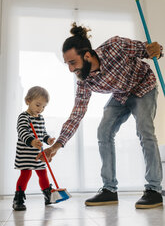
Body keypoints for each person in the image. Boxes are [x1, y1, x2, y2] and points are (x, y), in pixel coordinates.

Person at [37, 22, 163, 209]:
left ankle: (154, 190)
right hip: (121, 95)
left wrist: (157, 50)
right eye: (68, 64)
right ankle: (109, 190)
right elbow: (77, 114)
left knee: (145, 131)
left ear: (87, 55)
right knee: (103, 131)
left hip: (143, 86)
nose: (71, 70)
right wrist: (56, 146)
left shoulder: (116, 46)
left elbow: (148, 50)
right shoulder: (84, 80)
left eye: (73, 63)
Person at [13, 86, 55, 211]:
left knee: (43, 173)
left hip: (37, 154)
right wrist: (32, 141)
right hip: (25, 153)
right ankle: (18, 199)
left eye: (43, 107)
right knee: (25, 174)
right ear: (28, 101)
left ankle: (48, 195)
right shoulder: (23, 117)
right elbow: (23, 132)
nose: (40, 109)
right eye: (38, 105)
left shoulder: (40, 118)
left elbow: (42, 133)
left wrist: (48, 139)